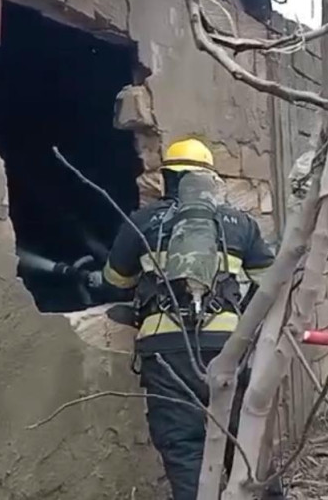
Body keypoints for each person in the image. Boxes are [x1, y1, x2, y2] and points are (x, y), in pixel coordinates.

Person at [101, 138, 280, 500]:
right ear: (210, 180)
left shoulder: (141, 221)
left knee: (184, 449)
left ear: (167, 178)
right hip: (228, 349)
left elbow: (115, 281)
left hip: (166, 355)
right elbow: (271, 283)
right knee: (245, 441)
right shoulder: (239, 223)